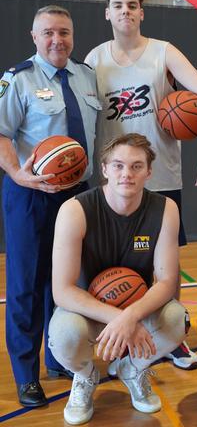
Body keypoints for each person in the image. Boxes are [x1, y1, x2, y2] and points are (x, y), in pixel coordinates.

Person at [85, 0, 197, 370]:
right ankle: (120, 335)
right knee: (115, 266)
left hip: (161, 175)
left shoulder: (163, 53)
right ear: (107, 13)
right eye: (118, 5)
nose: (125, 11)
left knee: (166, 267)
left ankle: (171, 337)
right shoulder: (95, 60)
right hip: (116, 183)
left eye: (132, 5)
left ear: (142, 13)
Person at [49, 133, 188, 425]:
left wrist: (131, 317)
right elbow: (62, 291)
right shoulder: (75, 210)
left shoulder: (166, 209)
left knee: (177, 319)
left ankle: (132, 369)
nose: (127, 174)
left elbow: (166, 281)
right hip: (88, 308)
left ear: (149, 172)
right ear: (104, 169)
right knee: (63, 335)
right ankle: (86, 376)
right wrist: (119, 318)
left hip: (138, 306)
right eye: (118, 165)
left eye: (137, 166)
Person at [0, 5, 101, 407]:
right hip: (30, 194)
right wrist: (18, 175)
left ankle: (59, 355)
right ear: (34, 36)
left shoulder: (87, 77)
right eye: (48, 33)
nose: (57, 40)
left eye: (64, 32)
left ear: (73, 36)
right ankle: (26, 373)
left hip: (79, 194)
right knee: (26, 284)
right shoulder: (17, 79)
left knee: (66, 283)